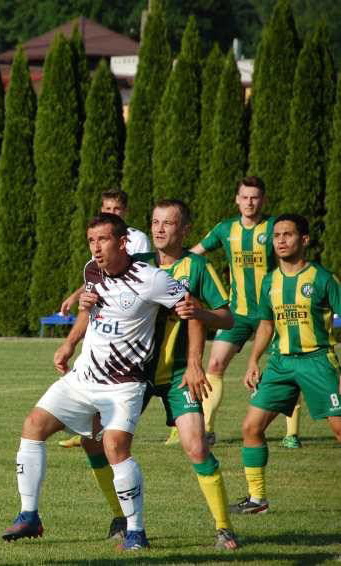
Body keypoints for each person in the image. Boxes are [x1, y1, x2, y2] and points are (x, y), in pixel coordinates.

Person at [1, 213, 199, 551]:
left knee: (115, 448)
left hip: (123, 384)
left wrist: (194, 362)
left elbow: (192, 310)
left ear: (122, 242)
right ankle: (29, 515)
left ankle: (136, 532)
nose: (95, 248)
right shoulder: (92, 272)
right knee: (33, 425)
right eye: (91, 240)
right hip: (83, 377)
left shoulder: (152, 279)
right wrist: (69, 343)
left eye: (103, 240)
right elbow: (89, 307)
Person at [77, 200, 239, 550]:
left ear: (185, 230)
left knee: (196, 447)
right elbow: (98, 282)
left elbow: (226, 318)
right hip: (132, 374)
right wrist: (78, 304)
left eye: (169, 223)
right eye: (155, 222)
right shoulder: (139, 264)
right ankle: (121, 518)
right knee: (94, 440)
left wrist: (197, 346)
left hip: (179, 373)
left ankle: (224, 527)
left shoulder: (196, 267)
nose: (160, 229)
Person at [232, 213, 341, 514]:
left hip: (317, 361)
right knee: (251, 428)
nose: (280, 240)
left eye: (288, 235)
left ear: (304, 240)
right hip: (281, 364)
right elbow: (266, 323)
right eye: (277, 235)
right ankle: (257, 500)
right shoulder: (271, 280)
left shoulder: (321, 278)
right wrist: (253, 360)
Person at [192, 176, 301, 448]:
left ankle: (292, 434)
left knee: (289, 366)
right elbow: (195, 255)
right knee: (214, 365)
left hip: (274, 311)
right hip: (237, 313)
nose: (250, 202)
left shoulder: (275, 228)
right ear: (237, 200)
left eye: (255, 197)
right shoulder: (225, 229)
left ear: (262, 200)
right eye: (245, 197)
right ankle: (206, 429)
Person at [57, 188, 151, 448]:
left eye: (116, 209)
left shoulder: (137, 239)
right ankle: (89, 429)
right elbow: (98, 276)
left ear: (125, 212)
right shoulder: (99, 240)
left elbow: (138, 277)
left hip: (131, 322)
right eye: (107, 209)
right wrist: (78, 296)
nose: (111, 213)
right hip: (102, 318)